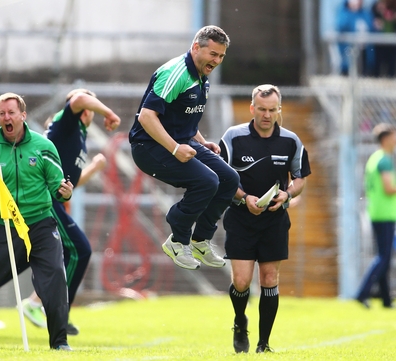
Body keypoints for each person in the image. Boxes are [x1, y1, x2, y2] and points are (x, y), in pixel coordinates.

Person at [0, 93, 74, 350]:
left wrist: (64, 191)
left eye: (12, 112)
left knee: (55, 277)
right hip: (4, 226)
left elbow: (57, 185)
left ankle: (59, 342)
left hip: (40, 224)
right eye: (2, 113)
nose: (7, 117)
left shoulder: (44, 147)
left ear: (23, 115)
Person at [129, 25, 239, 270]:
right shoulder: (175, 73)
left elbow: (180, 115)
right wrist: (175, 149)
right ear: (195, 47)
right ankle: (178, 240)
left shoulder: (201, 74)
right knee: (207, 181)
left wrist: (200, 141)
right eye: (213, 54)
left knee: (229, 179)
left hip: (183, 141)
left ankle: (200, 240)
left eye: (221, 56)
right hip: (149, 146)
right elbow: (147, 117)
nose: (217, 61)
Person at [218, 84, 311, 353]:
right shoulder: (233, 137)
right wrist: (244, 197)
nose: (267, 115)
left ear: (279, 110)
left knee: (269, 278)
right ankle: (239, 320)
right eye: (261, 109)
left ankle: (263, 344)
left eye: (272, 110)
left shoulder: (291, 141)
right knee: (242, 282)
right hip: (240, 218)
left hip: (274, 220)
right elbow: (222, 176)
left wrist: (287, 194)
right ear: (252, 108)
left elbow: (300, 178)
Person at [21, 88, 120, 335]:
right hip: (43, 200)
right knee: (80, 250)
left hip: (53, 200)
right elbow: (77, 98)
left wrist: (95, 167)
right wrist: (107, 111)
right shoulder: (67, 122)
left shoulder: (78, 134)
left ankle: (39, 303)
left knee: (63, 254)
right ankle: (50, 309)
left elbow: (71, 182)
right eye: (92, 106)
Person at [356, 123, 396, 308]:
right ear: (385, 139)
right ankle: (362, 293)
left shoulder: (375, 158)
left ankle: (386, 300)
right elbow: (389, 188)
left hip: (379, 211)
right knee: (383, 257)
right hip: (385, 214)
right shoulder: (384, 160)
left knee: (385, 256)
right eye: (394, 136)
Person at [336, 0, 375, 76]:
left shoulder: (365, 13)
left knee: (365, 76)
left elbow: (371, 28)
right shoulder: (343, 12)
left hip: (365, 52)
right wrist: (352, 12)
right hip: (348, 52)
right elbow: (341, 26)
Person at [371, 0, 396, 77]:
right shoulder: (376, 5)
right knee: (377, 66)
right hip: (379, 42)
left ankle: (391, 83)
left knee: (392, 67)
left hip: (393, 41)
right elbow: (373, 20)